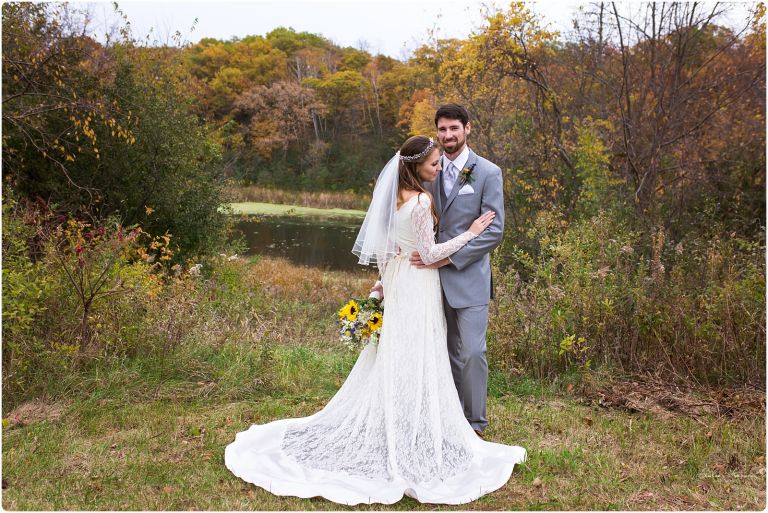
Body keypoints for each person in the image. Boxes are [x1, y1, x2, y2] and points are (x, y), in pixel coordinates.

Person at [225, 135, 526, 506]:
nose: (438, 168)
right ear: (417, 167)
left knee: (399, 352)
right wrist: (471, 233)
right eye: (432, 164)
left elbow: (388, 252)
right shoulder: (420, 201)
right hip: (418, 284)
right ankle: (416, 426)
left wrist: (382, 285)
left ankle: (404, 419)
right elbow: (429, 253)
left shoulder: (392, 198)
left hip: (400, 281)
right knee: (420, 351)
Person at [415, 103, 503, 437]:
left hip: (469, 279)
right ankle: (450, 418)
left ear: (468, 128)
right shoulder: (428, 172)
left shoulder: (488, 173)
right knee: (442, 350)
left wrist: (447, 259)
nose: (448, 135)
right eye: (442, 129)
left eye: (454, 128)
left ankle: (476, 423)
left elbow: (494, 231)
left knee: (472, 351)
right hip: (429, 278)